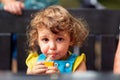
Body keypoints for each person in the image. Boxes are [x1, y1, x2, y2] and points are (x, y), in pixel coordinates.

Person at [25, 5, 89, 74]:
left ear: (71, 39)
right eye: (45, 40)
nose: (52, 46)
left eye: (59, 39)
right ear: (37, 40)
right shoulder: (34, 63)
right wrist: (32, 75)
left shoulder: (77, 64)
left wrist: (60, 78)